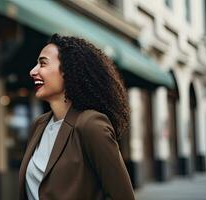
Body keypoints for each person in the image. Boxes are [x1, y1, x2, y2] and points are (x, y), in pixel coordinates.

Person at [19, 34, 135, 200]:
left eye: (43, 63)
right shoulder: (38, 125)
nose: (33, 71)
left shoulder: (91, 124)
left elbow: (122, 196)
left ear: (67, 71)